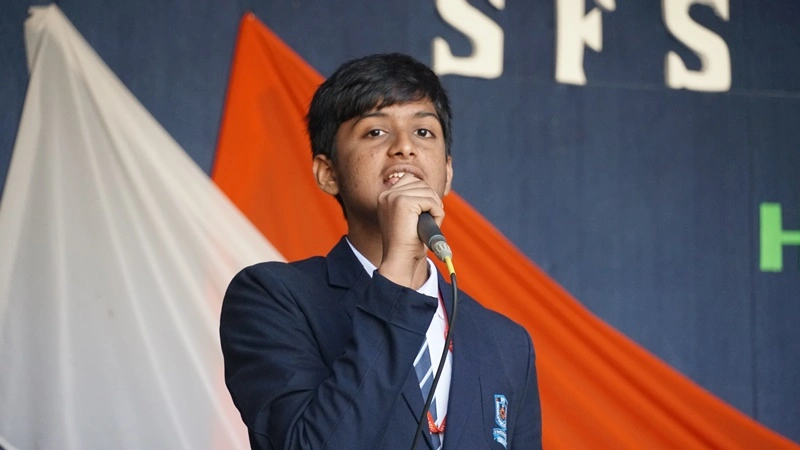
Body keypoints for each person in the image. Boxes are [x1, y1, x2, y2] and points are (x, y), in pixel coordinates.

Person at [220, 53, 542, 450]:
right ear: (328, 173)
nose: (405, 147)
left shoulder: (507, 343)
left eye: (423, 131)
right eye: (375, 132)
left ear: (447, 172)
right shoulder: (272, 297)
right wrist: (398, 273)